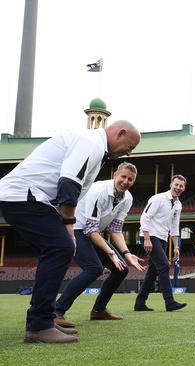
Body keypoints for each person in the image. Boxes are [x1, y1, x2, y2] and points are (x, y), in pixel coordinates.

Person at [0, 120, 140, 343]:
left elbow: (115, 228)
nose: (129, 153)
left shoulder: (96, 148)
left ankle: (44, 319)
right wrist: (68, 227)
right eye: (130, 146)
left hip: (34, 198)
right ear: (120, 133)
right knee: (61, 246)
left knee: (59, 248)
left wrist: (123, 253)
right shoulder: (91, 142)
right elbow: (68, 184)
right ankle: (40, 324)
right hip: (25, 195)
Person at [53, 162, 146, 328]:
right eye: (123, 177)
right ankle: (56, 312)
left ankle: (99, 311)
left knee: (121, 269)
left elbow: (115, 229)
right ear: (115, 176)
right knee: (94, 268)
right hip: (76, 230)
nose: (126, 181)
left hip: (93, 232)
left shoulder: (127, 198)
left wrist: (126, 253)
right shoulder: (99, 190)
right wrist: (110, 253)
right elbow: (91, 230)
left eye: (130, 179)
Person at [134, 175, 188, 312]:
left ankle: (140, 303)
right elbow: (145, 217)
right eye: (176, 184)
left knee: (152, 272)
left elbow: (175, 227)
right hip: (150, 236)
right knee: (164, 265)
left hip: (162, 238)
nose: (178, 188)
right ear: (171, 184)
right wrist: (146, 238)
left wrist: (176, 246)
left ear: (184, 188)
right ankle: (169, 302)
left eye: (181, 186)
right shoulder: (158, 198)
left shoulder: (178, 205)